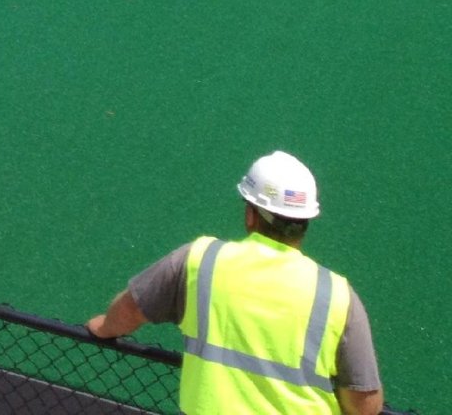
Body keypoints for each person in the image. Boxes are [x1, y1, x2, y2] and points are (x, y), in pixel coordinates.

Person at [87, 151, 383, 415]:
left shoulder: (199, 260)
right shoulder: (337, 295)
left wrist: (103, 327)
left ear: (251, 214)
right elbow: (364, 402)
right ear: (304, 223)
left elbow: (129, 310)